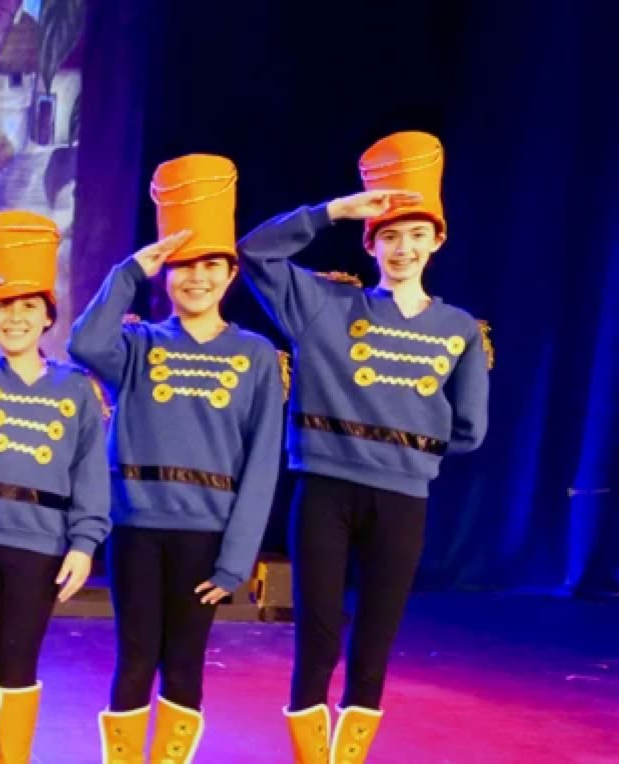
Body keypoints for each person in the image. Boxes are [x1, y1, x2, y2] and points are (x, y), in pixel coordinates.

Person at [237, 132, 489, 763]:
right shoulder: (324, 304)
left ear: (438, 241)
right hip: (325, 492)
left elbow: (471, 430)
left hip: (402, 501)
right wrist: (335, 211)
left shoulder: (458, 329)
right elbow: (255, 253)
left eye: (417, 234)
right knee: (317, 638)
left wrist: (407, 451)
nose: (403, 248)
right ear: (369, 242)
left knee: (373, 645)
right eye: (389, 235)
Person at [68, 155, 282, 763]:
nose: (196, 278)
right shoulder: (138, 343)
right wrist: (130, 270)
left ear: (231, 273)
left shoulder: (256, 355)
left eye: (211, 265)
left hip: (205, 537)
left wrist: (237, 558)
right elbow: (84, 342)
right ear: (166, 274)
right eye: (184, 265)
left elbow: (263, 460)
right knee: (135, 659)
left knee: (184, 664)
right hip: (137, 528)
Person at [0, 210, 111, 764]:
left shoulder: (76, 388)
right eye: (4, 307)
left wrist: (84, 543)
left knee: (18, 664)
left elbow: (90, 472)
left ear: (48, 317)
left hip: (41, 544)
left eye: (29, 307)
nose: (15, 318)